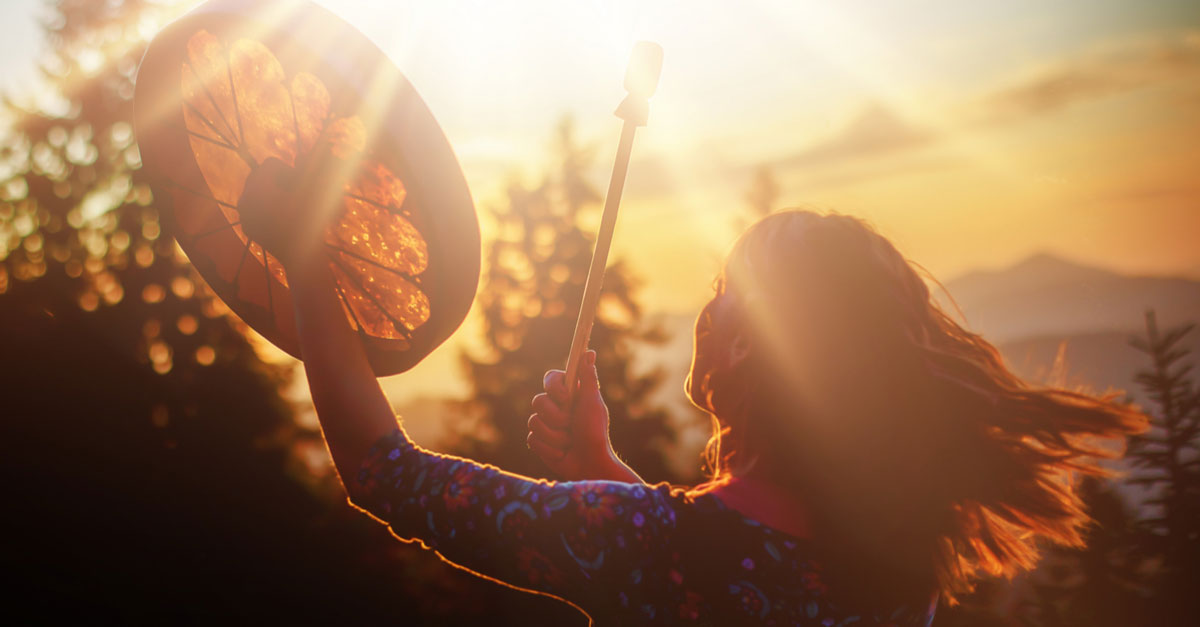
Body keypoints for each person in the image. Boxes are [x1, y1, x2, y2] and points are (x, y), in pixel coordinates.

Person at [240, 156, 1148, 625]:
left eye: (721, 292)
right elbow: (713, 584)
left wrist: (310, 259)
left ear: (752, 347)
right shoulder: (895, 564)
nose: (706, 309)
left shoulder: (639, 544)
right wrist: (601, 463)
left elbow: (378, 468)